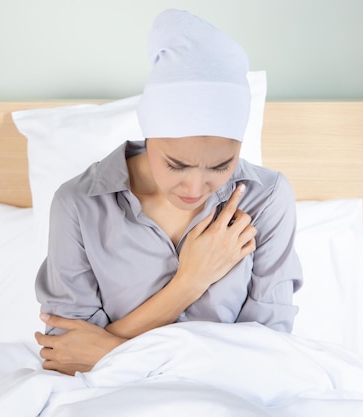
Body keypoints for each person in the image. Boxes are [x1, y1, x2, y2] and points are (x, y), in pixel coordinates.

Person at [34, 9, 303, 376]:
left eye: (221, 166)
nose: (195, 188)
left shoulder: (267, 198)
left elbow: (269, 356)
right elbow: (65, 357)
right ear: (149, 135)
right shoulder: (80, 204)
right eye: (176, 165)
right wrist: (189, 282)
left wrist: (109, 351)